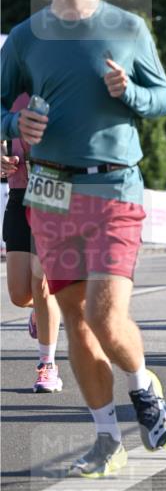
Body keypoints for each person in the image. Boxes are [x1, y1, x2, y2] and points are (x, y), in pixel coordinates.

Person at [1, 0, 166, 477]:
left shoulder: (127, 28)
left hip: (113, 183)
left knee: (104, 316)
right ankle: (107, 440)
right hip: (48, 186)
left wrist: (132, 95)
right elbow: (1, 104)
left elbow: (165, 97)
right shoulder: (26, 36)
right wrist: (12, 126)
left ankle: (143, 384)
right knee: (73, 318)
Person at [1, 107, 63, 392]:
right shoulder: (6, 87)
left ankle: (47, 365)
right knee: (19, 295)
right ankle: (41, 308)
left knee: (42, 283)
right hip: (18, 191)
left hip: (53, 189)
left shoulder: (54, 75)